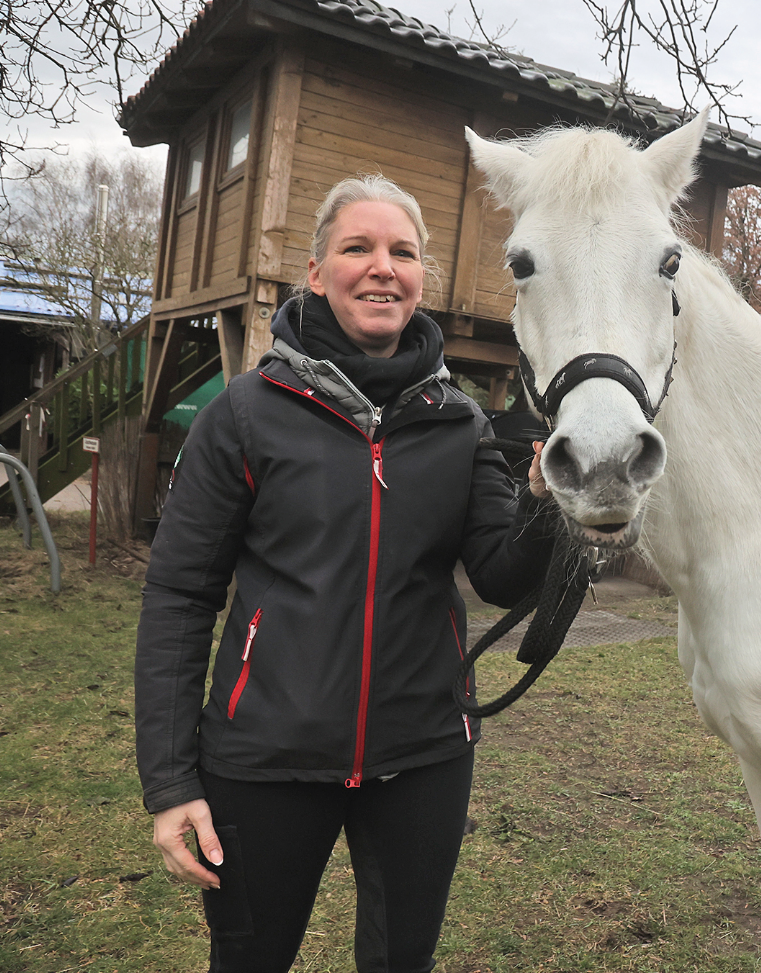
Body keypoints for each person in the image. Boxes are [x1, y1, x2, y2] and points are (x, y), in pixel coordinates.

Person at [135, 174, 554, 971]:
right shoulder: (247, 414)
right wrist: (170, 782)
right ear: (317, 272)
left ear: (421, 276)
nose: (382, 267)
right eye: (357, 248)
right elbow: (180, 596)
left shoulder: (460, 422)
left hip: (424, 755)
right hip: (262, 756)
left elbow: (501, 576)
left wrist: (541, 502)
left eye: (402, 251)